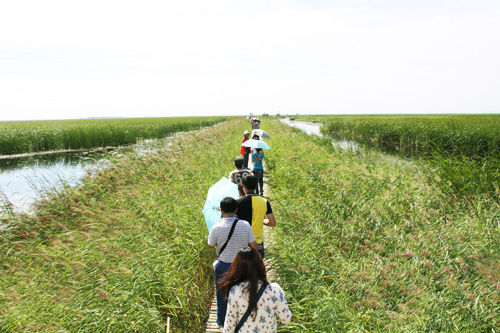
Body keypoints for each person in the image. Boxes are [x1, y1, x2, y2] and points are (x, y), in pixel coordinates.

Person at [208, 197, 259, 328]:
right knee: (243, 293)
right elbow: (254, 246)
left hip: (223, 265)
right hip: (242, 265)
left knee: (222, 295)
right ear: (236, 209)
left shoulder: (216, 227)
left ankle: (222, 322)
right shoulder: (245, 225)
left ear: (221, 210)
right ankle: (242, 320)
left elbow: (211, 245)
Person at [218, 247, 292, 332]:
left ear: (238, 267)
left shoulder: (235, 290)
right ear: (260, 265)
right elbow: (286, 319)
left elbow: (229, 325)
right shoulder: (275, 289)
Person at [237, 175, 276, 258]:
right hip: (258, 240)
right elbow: (272, 222)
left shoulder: (238, 202)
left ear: (244, 187)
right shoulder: (264, 202)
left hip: (242, 241)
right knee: (257, 267)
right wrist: (261, 220)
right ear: (255, 186)